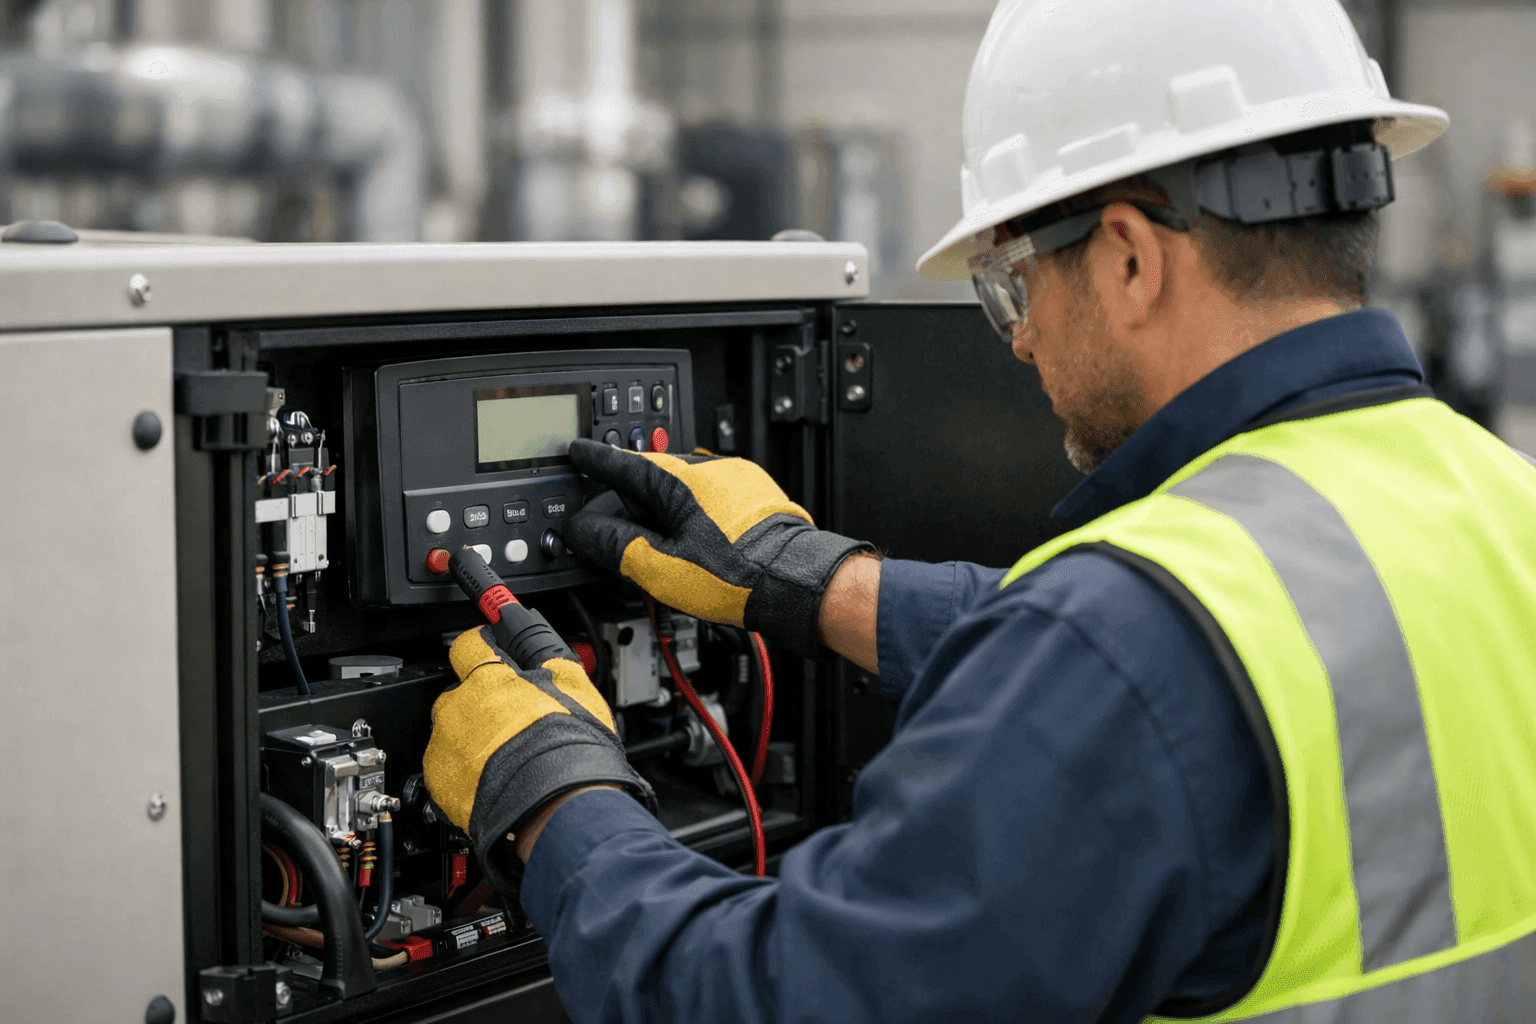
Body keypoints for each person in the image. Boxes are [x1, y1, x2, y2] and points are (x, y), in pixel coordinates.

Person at [421, 1, 1536, 1020]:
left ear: (1131, 259)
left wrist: (556, 802)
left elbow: (773, 999)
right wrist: (816, 581)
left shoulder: (1119, 646)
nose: (1022, 338)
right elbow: (1240, 663)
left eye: (1016, 285)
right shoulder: (1499, 498)